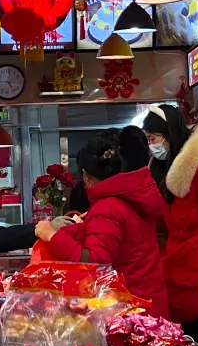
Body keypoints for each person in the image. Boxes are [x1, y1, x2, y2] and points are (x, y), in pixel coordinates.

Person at [34, 131, 170, 319]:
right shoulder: (128, 195)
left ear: (86, 176)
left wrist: (52, 236)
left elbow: (95, 261)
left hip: (132, 310)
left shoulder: (107, 207)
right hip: (149, 301)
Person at [142, 104, 198, 346]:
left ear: (169, 134)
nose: (151, 145)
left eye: (153, 138)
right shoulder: (163, 169)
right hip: (178, 271)